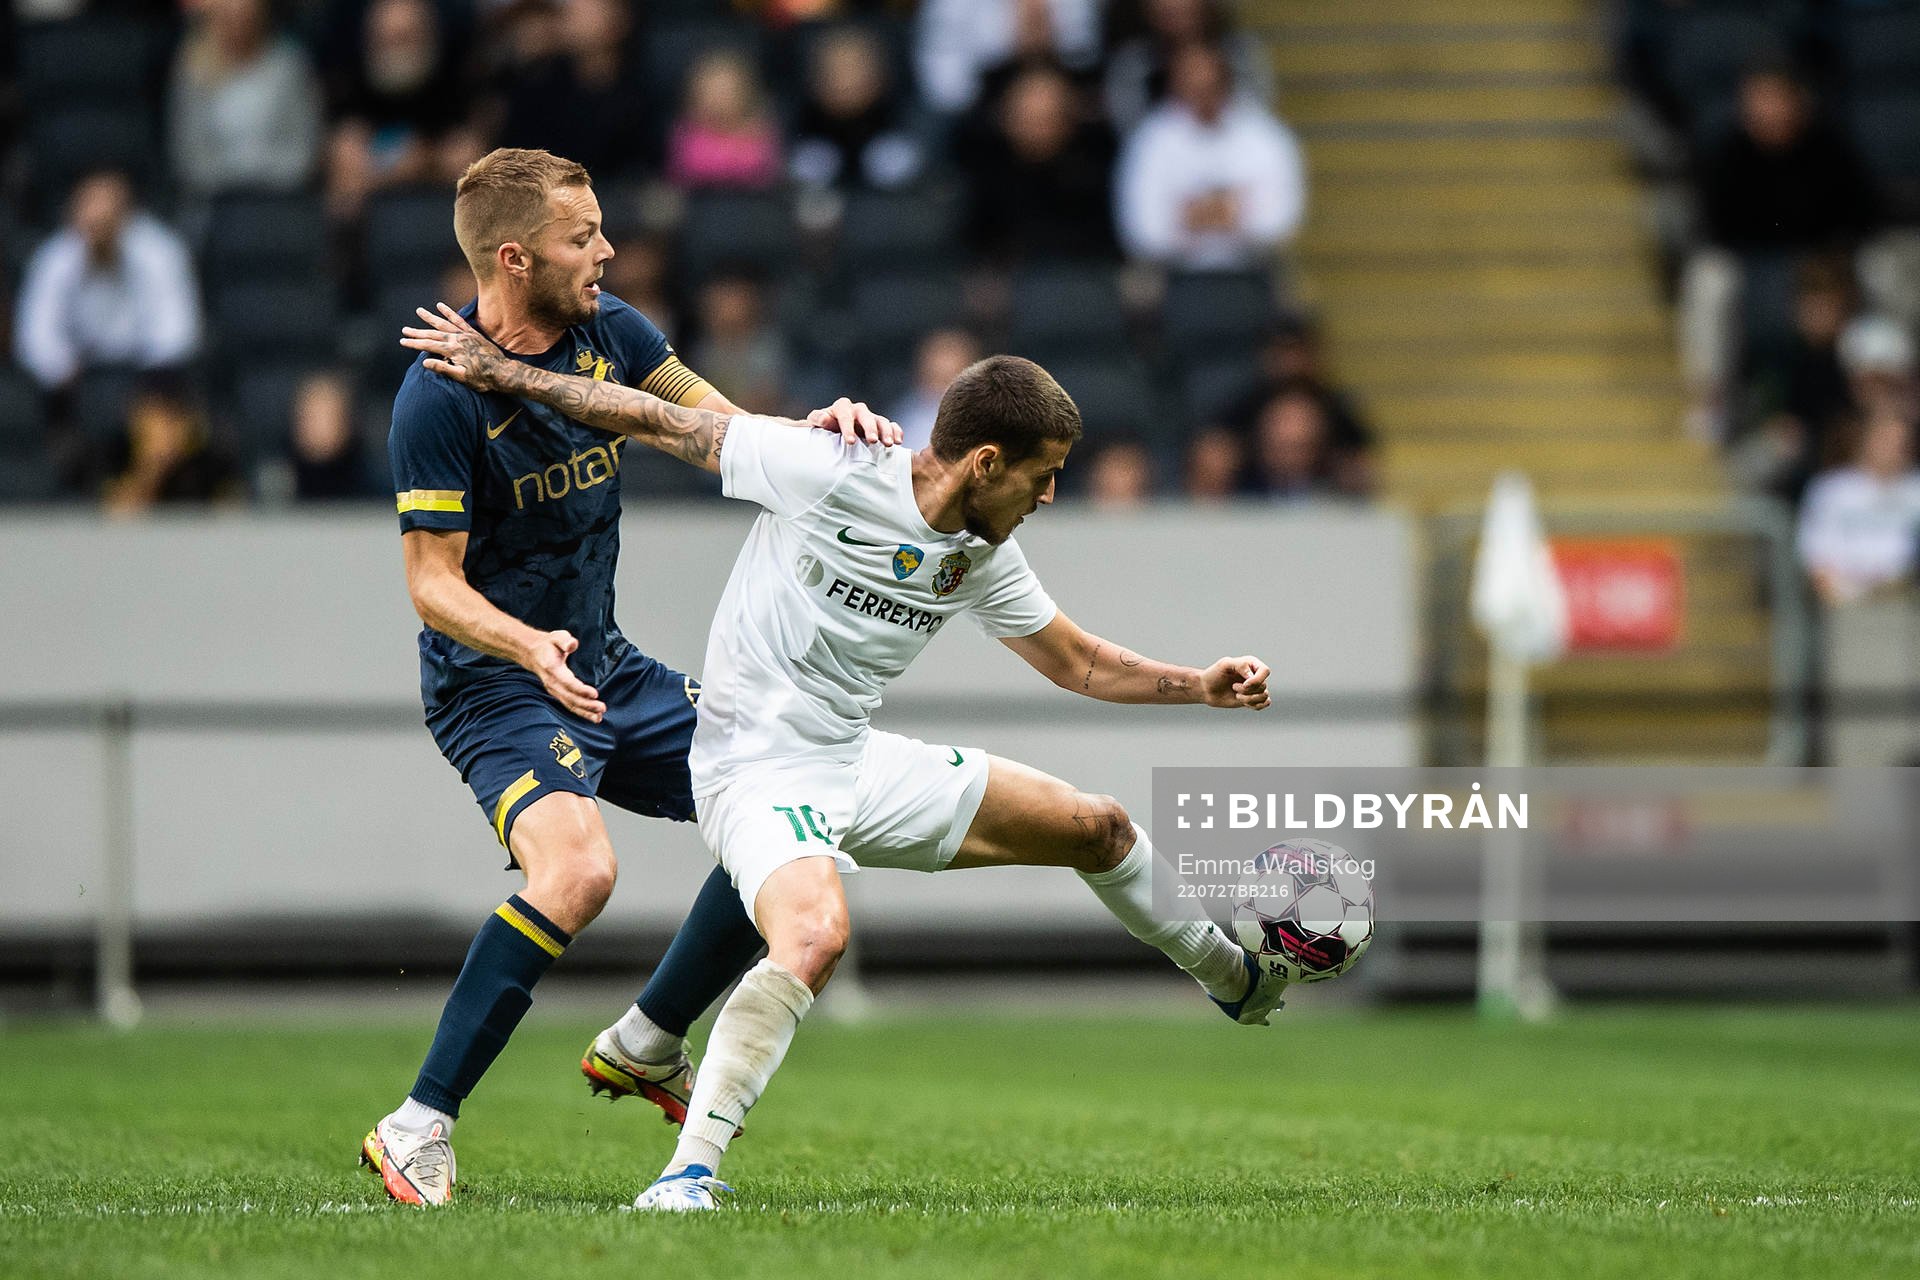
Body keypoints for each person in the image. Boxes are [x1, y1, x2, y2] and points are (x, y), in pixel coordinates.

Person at [397, 316, 1284, 1212]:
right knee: (814, 933)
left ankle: (1233, 980)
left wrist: (1200, 685)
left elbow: (1079, 662)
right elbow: (661, 421)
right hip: (750, 763)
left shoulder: (981, 555)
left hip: (848, 760)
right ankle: (686, 1175)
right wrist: (509, 371)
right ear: (984, 463)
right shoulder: (830, 467)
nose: (1050, 495)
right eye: (1042, 474)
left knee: (1100, 826)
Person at [363, 147, 898, 1207]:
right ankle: (415, 1123)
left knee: (782, 802)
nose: (607, 250)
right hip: (497, 685)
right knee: (577, 873)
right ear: (514, 259)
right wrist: (525, 644)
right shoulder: (437, 399)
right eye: (582, 237)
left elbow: (718, 435)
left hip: (605, 665)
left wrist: (819, 433)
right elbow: (432, 583)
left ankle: (650, 1034)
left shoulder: (613, 333)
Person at [1113, 41, 1305, 271]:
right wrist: (1220, 215)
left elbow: (1281, 222)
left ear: (1226, 83)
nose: (1202, 96)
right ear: (1175, 86)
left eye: (1210, 87)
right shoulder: (1150, 140)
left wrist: (1205, 216)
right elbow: (1143, 231)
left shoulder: (1266, 136)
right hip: (1173, 278)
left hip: (1253, 272)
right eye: (1192, 88)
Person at [167, 0, 324, 204]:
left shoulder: (290, 65)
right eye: (230, 15)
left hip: (281, 200)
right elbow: (188, 152)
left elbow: (303, 148)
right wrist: (232, 182)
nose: (238, 23)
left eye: (245, 15)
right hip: (212, 203)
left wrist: (259, 177)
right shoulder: (193, 66)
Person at [1796, 409, 1920, 606]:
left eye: (1902, 442)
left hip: (1908, 607)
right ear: (1868, 439)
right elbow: (1816, 563)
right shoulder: (1831, 490)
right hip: (1847, 610)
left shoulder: (1915, 490)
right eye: (1887, 439)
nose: (1895, 449)